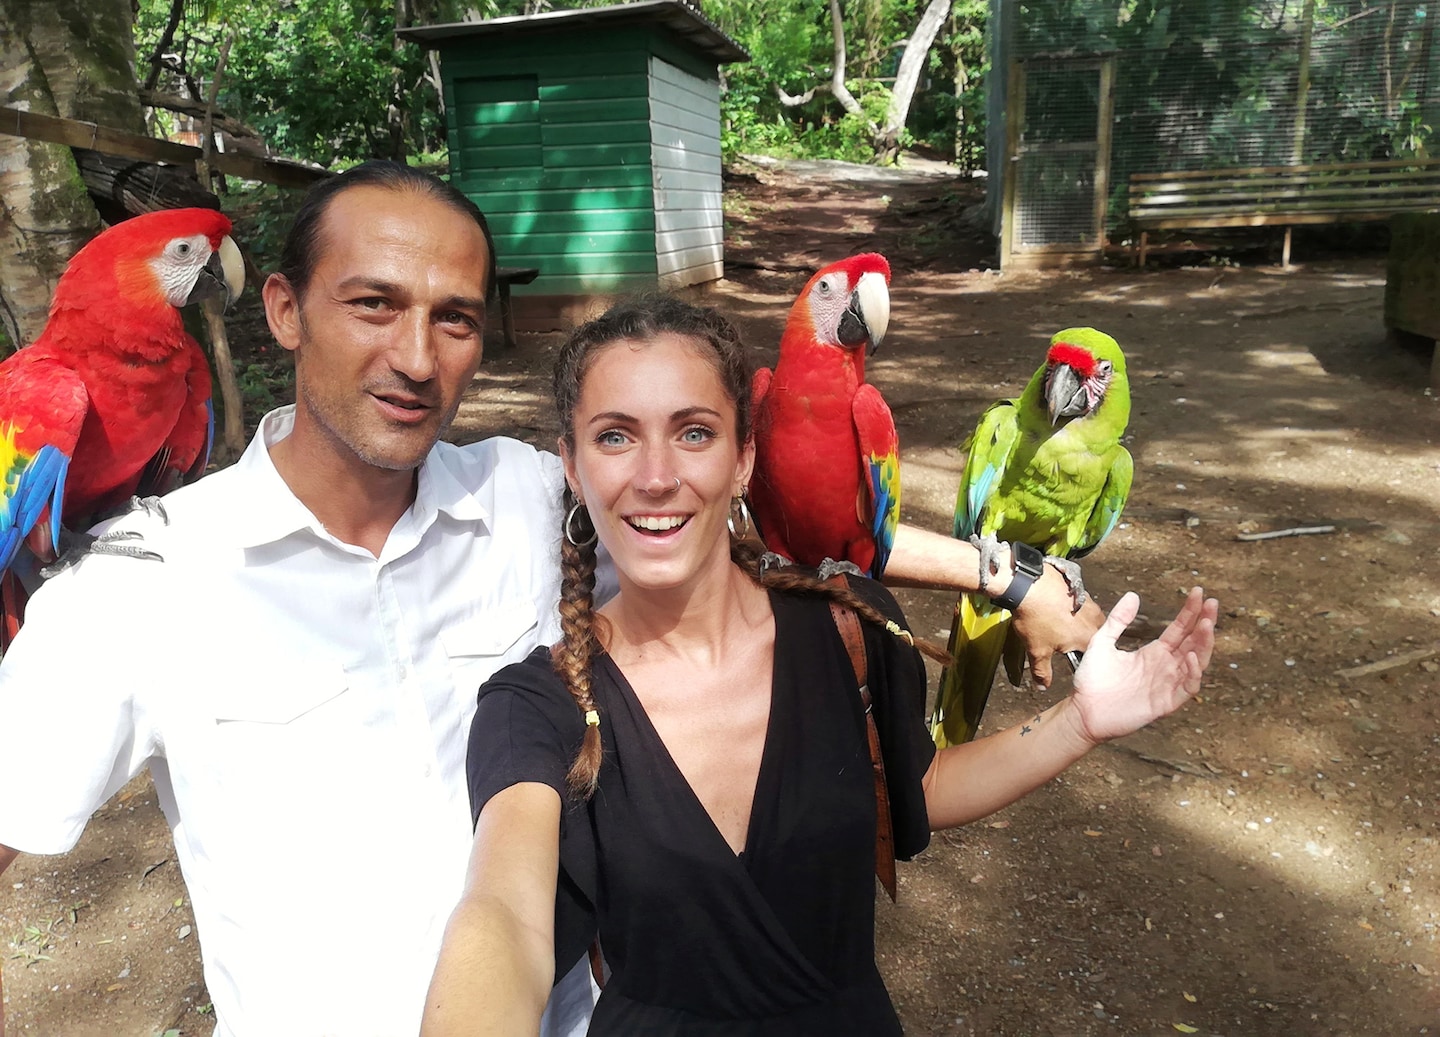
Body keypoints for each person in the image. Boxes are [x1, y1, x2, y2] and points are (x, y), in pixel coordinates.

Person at [0, 164, 1100, 1036]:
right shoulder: (141, 582)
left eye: (454, 318)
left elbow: (761, 536)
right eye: (373, 304)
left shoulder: (528, 496)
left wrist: (1010, 578)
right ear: (284, 311)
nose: (415, 356)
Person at [420, 296, 1218, 1036]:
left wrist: (1080, 721)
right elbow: (503, 916)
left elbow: (920, 786)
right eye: (615, 436)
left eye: (694, 433)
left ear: (744, 458)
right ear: (571, 464)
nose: (656, 476)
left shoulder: (850, 626)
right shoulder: (539, 704)